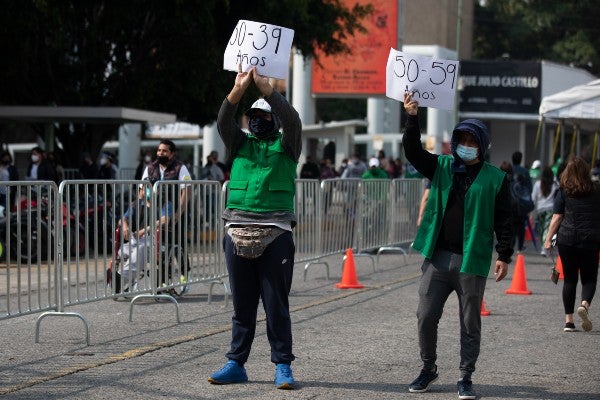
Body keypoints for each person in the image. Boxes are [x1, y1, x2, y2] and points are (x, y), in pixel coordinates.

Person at [402, 92, 513, 400]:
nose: (464, 144)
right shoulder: (441, 167)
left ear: (483, 144)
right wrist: (412, 117)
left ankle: (466, 376)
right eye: (460, 138)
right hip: (437, 258)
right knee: (425, 315)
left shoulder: (496, 179)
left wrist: (504, 254)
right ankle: (428, 368)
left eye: (471, 140)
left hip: (471, 261)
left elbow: (506, 219)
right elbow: (412, 152)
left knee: (469, 322)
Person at [209, 65, 301, 390]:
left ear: (273, 119)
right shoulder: (239, 145)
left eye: (264, 115)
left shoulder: (287, 145)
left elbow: (293, 120)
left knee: (276, 303)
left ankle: (283, 366)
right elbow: (223, 120)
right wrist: (238, 89)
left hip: (275, 232)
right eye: (253, 116)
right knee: (242, 305)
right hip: (236, 231)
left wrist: (267, 91)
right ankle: (236, 363)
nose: (257, 120)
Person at [543, 156, 600, 333]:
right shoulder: (596, 190)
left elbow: (557, 217)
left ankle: (569, 321)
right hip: (590, 240)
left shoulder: (563, 191)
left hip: (567, 240)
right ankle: (584, 305)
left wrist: (548, 239)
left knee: (570, 279)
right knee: (589, 278)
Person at [115, 184, 173, 292]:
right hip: (136, 240)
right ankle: (126, 276)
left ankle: (123, 278)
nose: (143, 192)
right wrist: (125, 226)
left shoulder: (164, 203)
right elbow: (123, 218)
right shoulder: (136, 204)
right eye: (143, 189)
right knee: (125, 250)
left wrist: (144, 230)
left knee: (140, 249)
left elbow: (165, 220)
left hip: (155, 241)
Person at [532, 166, 558, 256]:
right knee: (547, 229)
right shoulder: (555, 185)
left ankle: (544, 248)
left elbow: (533, 198)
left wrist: (531, 211)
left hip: (540, 210)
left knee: (542, 229)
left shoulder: (537, 184)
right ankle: (544, 248)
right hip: (550, 209)